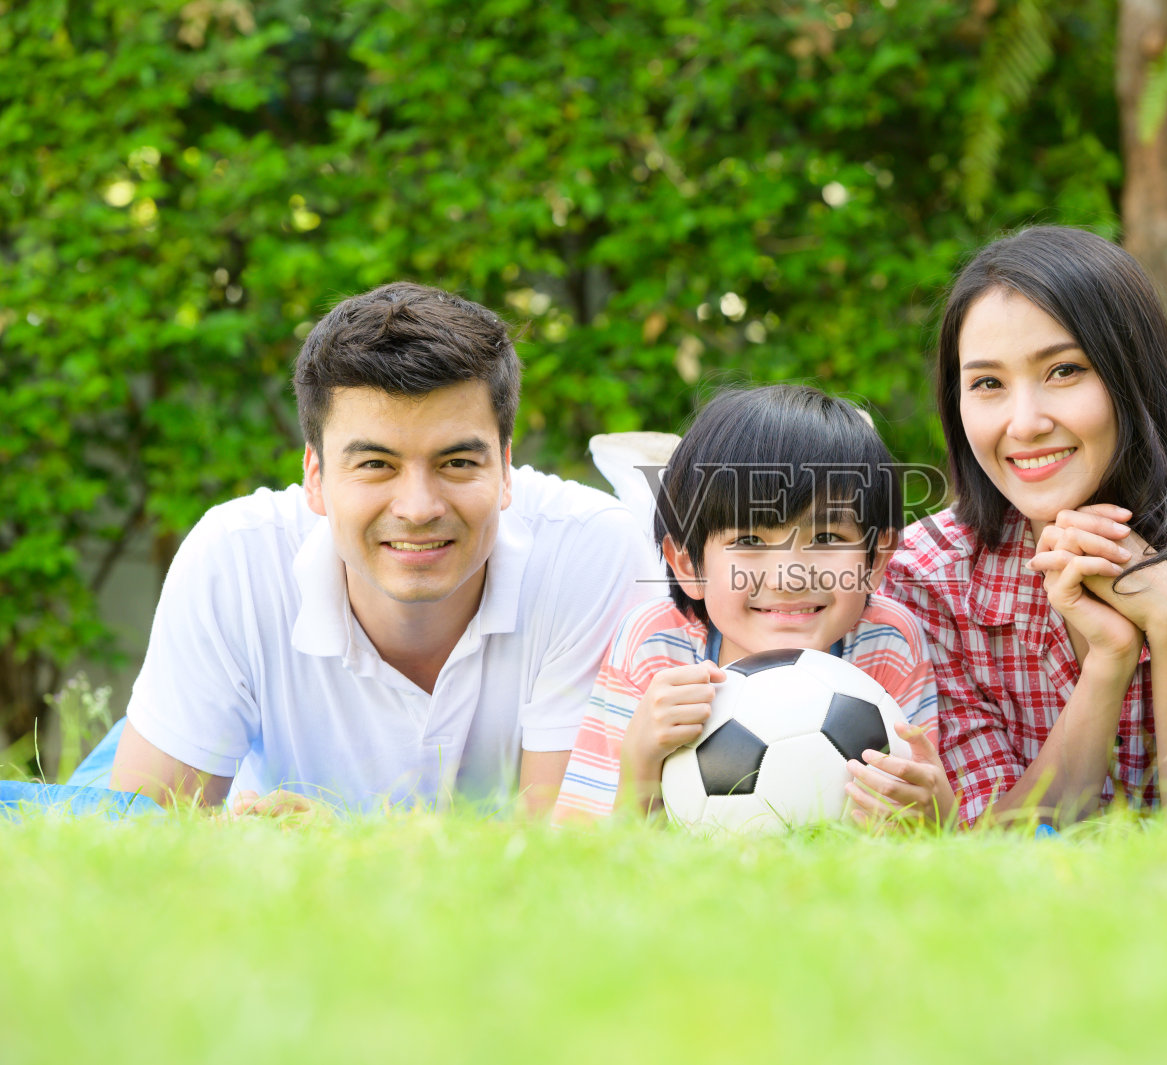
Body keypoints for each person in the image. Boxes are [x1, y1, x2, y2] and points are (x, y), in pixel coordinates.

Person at [108, 282, 657, 815]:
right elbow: (140, 832)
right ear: (315, 476)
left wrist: (341, 842)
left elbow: (566, 842)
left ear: (506, 470)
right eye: (376, 464)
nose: (418, 508)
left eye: (457, 462)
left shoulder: (591, 551)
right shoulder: (234, 559)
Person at [882, 226, 1167, 827]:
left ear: (1135, 377)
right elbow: (988, 849)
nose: (1024, 424)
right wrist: (1110, 657)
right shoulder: (925, 576)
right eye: (988, 383)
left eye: (1064, 370)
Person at [552, 385, 951, 825]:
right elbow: (587, 843)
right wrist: (640, 763)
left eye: (826, 538)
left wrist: (933, 814)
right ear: (688, 565)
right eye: (749, 540)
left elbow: (918, 815)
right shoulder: (656, 645)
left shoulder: (887, 642)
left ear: (875, 560)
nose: (790, 577)